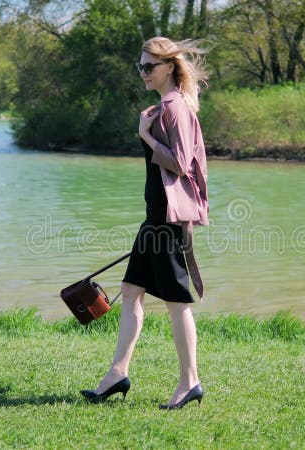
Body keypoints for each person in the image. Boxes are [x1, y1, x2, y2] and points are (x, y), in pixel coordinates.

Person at [80, 37, 210, 410]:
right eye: (140, 66)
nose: (143, 73)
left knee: (176, 302)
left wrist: (146, 136)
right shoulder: (165, 106)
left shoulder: (175, 108)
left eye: (149, 66)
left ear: (168, 67)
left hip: (167, 220)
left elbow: (182, 163)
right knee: (132, 290)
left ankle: (190, 382)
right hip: (155, 218)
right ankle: (117, 373)